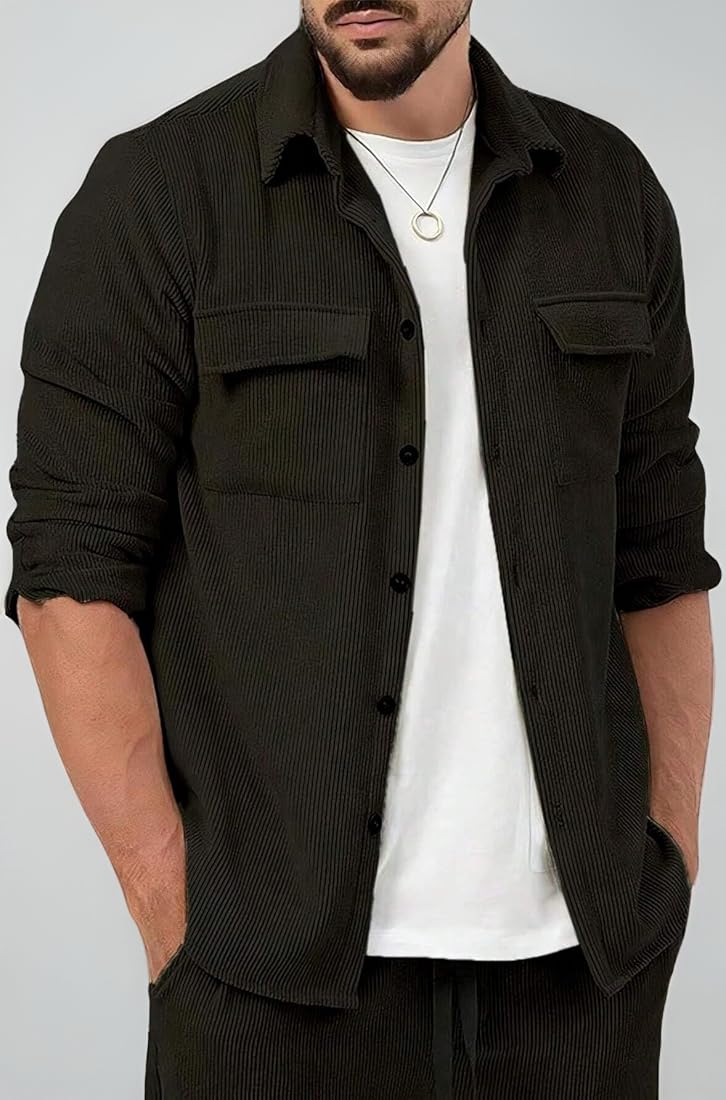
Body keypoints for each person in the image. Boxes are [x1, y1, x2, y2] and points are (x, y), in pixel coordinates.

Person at [4, 2, 720, 1097]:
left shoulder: (608, 192)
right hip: (268, 986)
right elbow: (69, 573)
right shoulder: (160, 194)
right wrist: (169, 909)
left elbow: (660, 556)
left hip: (581, 980)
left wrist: (669, 848)